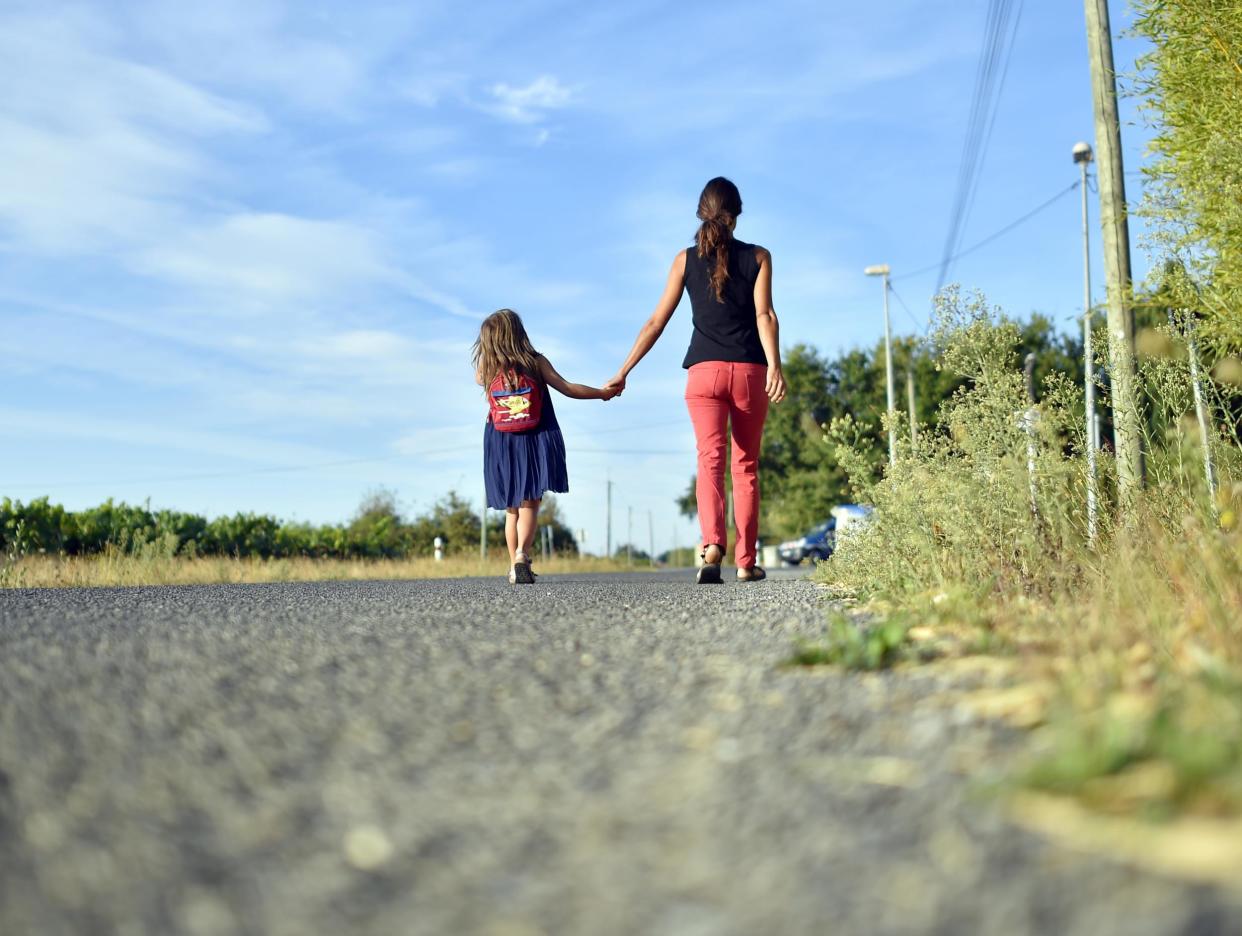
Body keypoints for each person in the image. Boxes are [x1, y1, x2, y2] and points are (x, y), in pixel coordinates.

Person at [605, 177, 786, 584]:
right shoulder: (759, 257)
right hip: (748, 373)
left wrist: (623, 370)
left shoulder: (684, 260)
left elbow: (656, 322)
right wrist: (775, 365)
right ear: (736, 216)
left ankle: (712, 545)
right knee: (745, 467)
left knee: (710, 461)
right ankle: (745, 562)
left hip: (703, 374)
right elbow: (765, 316)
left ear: (701, 213)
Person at [473, 309, 619, 584]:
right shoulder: (536, 362)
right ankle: (521, 556)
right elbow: (566, 387)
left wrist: (488, 356)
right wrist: (601, 394)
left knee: (511, 509)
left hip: (500, 440)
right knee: (530, 504)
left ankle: (512, 564)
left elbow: (479, 379)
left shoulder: (488, 367)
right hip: (532, 437)